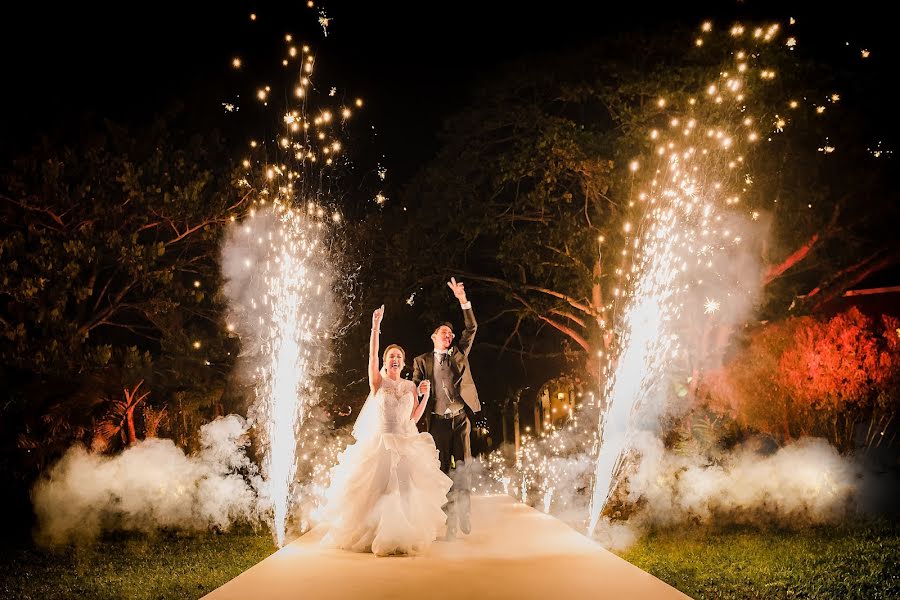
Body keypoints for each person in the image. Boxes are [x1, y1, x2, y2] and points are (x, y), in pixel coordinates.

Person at [319, 305, 452, 556]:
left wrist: (424, 396)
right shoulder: (377, 382)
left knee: (403, 489)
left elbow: (413, 418)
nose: (395, 359)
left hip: (404, 440)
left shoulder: (411, 386)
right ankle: (373, 532)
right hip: (380, 441)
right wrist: (375, 326)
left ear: (403, 363)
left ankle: (401, 534)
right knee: (377, 487)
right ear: (385, 361)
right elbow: (371, 356)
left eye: (399, 357)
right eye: (391, 356)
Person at [412, 277, 484, 539]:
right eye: (444, 333)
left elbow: (472, 327)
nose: (449, 336)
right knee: (441, 472)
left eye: (451, 334)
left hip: (460, 418)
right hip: (437, 423)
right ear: (434, 337)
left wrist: (462, 300)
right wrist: (418, 391)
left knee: (463, 468)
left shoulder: (459, 354)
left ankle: (464, 513)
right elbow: (415, 387)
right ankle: (448, 522)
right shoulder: (421, 361)